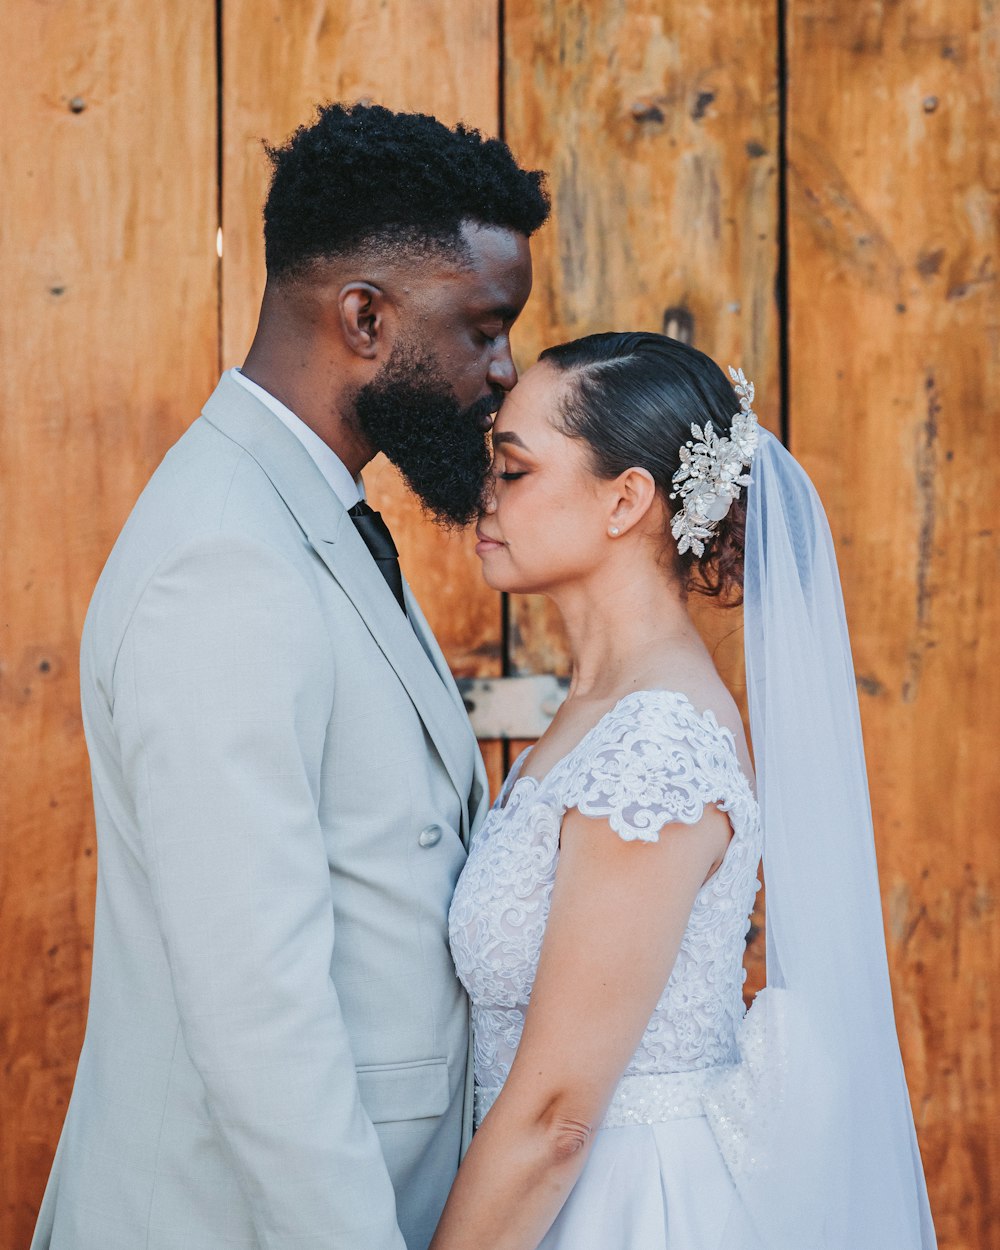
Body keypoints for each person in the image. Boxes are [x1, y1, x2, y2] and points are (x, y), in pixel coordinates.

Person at [30, 103, 548, 1250]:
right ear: (364, 317)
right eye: (482, 327)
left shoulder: (306, 511)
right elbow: (257, 1005)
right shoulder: (226, 556)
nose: (504, 370)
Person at [440, 332, 936, 1248]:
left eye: (513, 470)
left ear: (626, 499)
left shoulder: (654, 747)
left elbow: (557, 1117)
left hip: (622, 1204)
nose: (485, 494)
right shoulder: (596, 710)